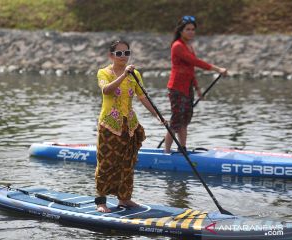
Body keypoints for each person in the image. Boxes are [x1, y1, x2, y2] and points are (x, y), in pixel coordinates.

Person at [95, 40, 158, 213]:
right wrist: (124, 75)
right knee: (107, 162)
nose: (123, 57)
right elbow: (106, 90)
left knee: (128, 162)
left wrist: (158, 115)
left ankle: (124, 199)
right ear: (111, 56)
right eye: (119, 53)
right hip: (109, 124)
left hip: (129, 125)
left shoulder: (135, 74)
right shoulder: (104, 72)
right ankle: (101, 201)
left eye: (126, 53)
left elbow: (143, 97)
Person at [164, 15, 228, 153]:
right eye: (188, 29)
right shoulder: (177, 46)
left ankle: (182, 148)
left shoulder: (189, 46)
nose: (191, 32)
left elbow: (190, 70)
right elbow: (196, 62)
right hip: (176, 88)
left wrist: (198, 89)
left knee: (185, 120)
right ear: (181, 31)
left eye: (193, 29)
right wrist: (218, 69)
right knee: (176, 121)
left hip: (187, 88)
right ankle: (166, 152)